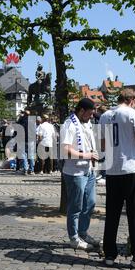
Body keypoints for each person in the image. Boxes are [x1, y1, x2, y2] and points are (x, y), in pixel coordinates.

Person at [100, 89, 135, 268]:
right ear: (132, 100)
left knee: (112, 215)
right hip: (131, 169)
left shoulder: (105, 115)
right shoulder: (131, 113)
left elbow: (103, 145)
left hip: (112, 171)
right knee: (134, 214)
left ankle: (110, 254)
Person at [61, 98, 100, 250]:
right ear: (81, 111)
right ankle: (74, 238)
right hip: (75, 172)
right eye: (90, 113)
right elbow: (65, 151)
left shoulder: (86, 122)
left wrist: (93, 155)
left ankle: (83, 233)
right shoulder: (69, 124)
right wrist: (87, 156)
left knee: (90, 203)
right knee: (75, 206)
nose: (92, 117)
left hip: (88, 170)